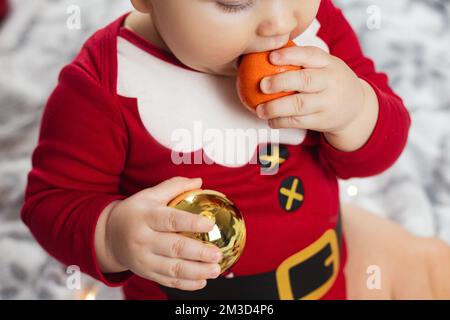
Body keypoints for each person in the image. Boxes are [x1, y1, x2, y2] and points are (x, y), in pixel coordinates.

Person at [21, 0, 450, 299]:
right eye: (232, 0)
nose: (281, 21)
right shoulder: (104, 82)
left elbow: (380, 149)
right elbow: (51, 203)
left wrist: (355, 110)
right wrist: (113, 234)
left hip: (322, 281)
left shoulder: (316, 36)